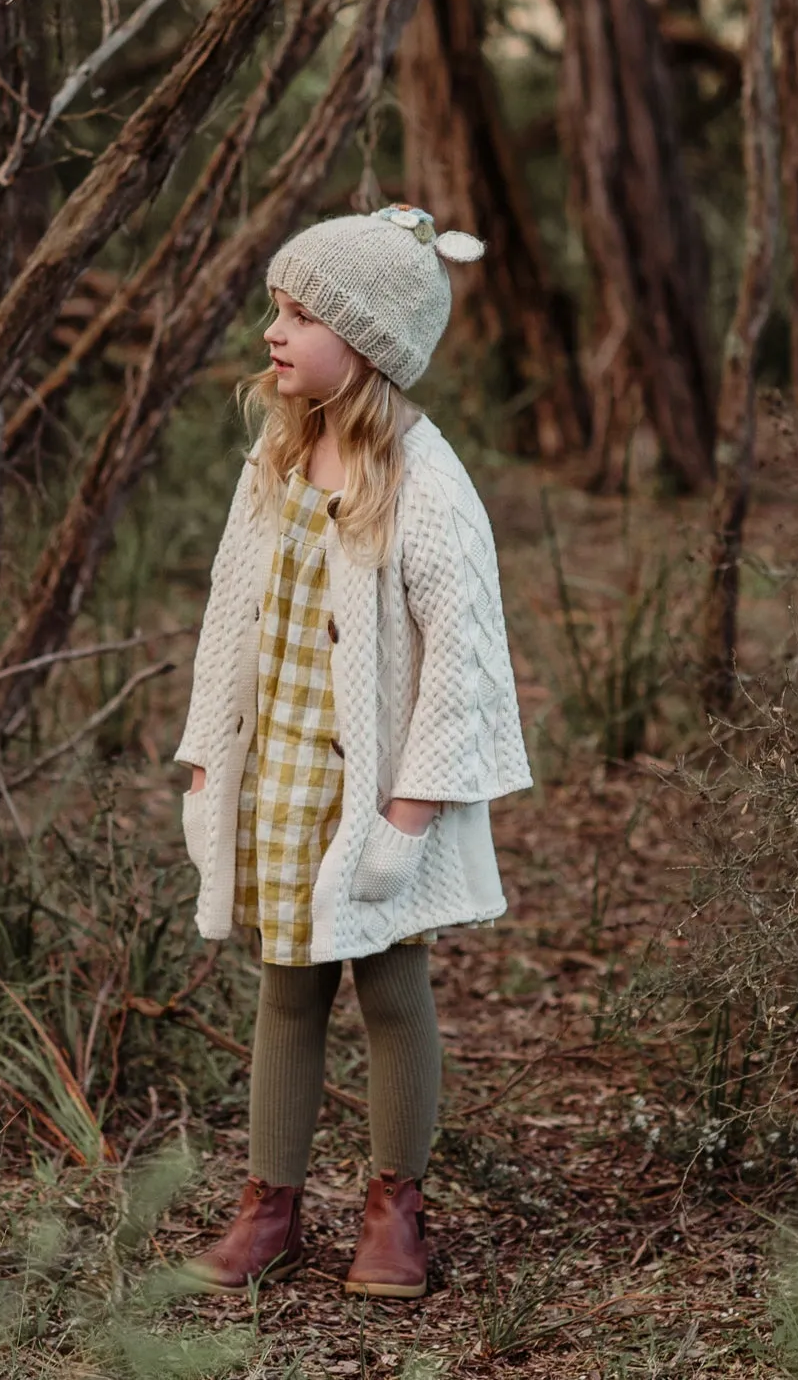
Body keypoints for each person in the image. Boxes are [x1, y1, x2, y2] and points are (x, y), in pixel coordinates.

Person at [171, 206, 532, 1298]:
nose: (272, 331)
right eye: (276, 308)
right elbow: (229, 613)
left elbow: (462, 662)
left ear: (364, 342)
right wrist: (204, 755)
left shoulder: (425, 482)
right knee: (286, 986)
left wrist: (406, 814)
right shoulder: (274, 455)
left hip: (373, 792)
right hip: (281, 771)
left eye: (298, 314)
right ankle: (268, 1203)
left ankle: (394, 1207)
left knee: (386, 987)